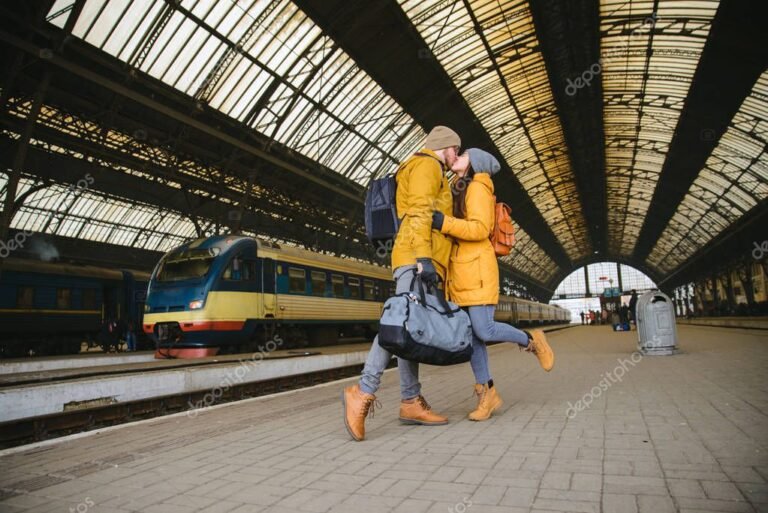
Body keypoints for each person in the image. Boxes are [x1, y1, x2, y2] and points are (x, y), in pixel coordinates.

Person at [343, 126, 461, 441]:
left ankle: (410, 400)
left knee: (407, 327)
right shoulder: (427, 165)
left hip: (414, 255)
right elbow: (421, 212)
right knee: (397, 324)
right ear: (446, 147)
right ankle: (363, 391)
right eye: (456, 150)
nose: (457, 157)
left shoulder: (425, 166)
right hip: (415, 257)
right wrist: (424, 258)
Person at [432, 148, 554, 422]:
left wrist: (444, 223)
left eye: (463, 155)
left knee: (484, 330)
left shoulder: (478, 189)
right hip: (462, 274)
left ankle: (533, 340)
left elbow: (480, 229)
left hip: (477, 270)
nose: (457, 157)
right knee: (474, 339)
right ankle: (488, 396)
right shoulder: (459, 189)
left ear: (474, 164)